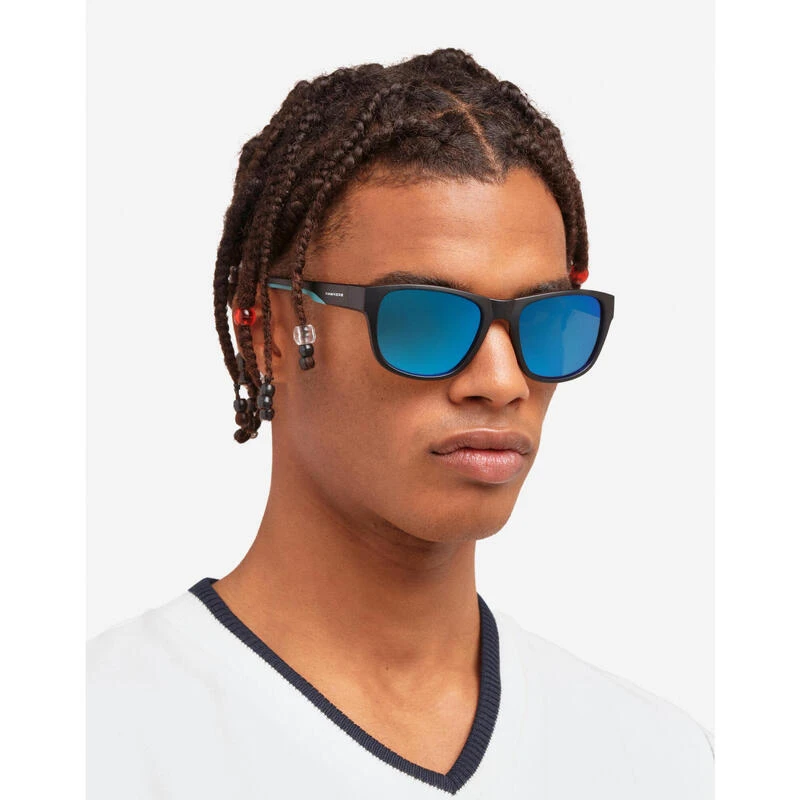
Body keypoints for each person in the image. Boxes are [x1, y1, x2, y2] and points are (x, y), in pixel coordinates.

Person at [87, 47, 713, 798]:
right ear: (268, 333)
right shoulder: (89, 742)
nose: (502, 382)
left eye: (544, 319)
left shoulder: (661, 761)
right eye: (424, 318)